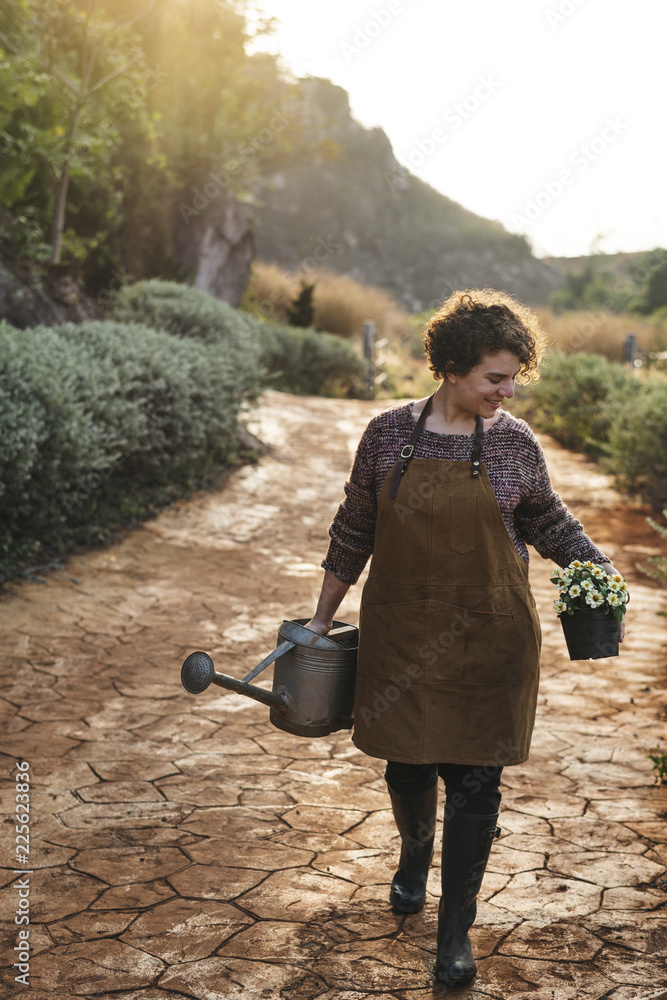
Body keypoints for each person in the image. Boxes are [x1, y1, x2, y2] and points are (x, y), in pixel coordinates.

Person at [305, 288, 625, 987]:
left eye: (513, 376)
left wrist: (598, 571)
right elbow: (354, 526)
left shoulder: (512, 442)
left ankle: (455, 933)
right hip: (399, 636)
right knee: (408, 768)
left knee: (476, 786)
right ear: (450, 367)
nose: (506, 391)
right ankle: (415, 853)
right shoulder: (388, 434)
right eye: (493, 377)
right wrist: (321, 619)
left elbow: (547, 520)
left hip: (491, 639)